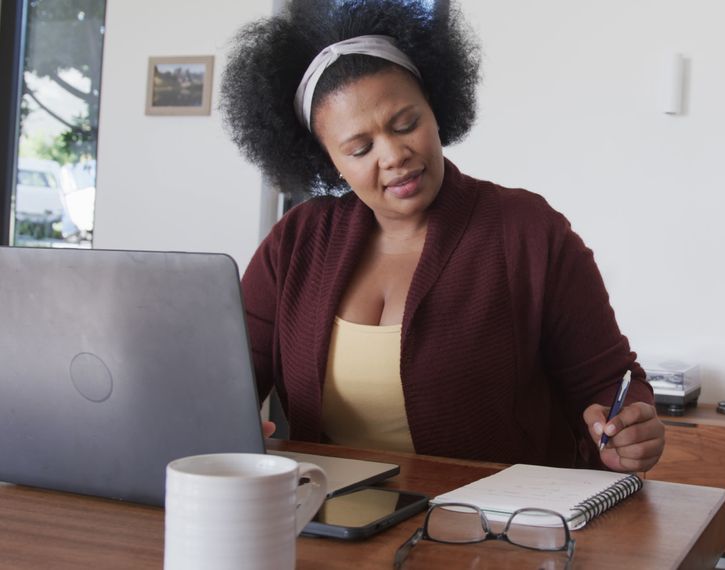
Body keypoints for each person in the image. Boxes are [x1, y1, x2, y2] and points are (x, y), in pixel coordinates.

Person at [220, 0, 664, 472]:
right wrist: (225, 422)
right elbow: (228, 383)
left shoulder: (527, 231)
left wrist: (628, 426)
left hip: (498, 531)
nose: (394, 155)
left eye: (406, 123)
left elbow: (610, 382)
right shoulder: (295, 243)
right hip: (331, 530)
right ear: (330, 160)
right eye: (360, 148)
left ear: (435, 107)